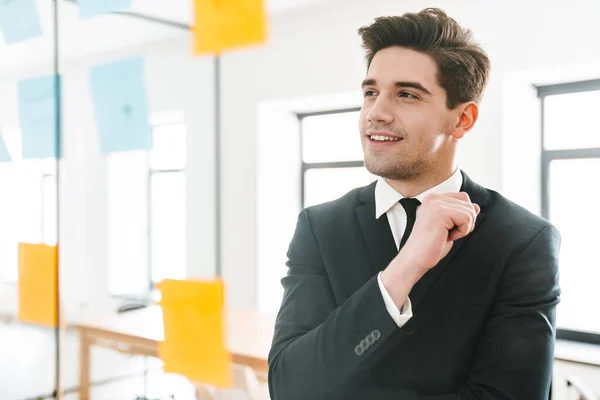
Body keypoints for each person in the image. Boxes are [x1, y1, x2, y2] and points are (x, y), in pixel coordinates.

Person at [267, 7, 561, 400]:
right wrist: (403, 270)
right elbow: (289, 385)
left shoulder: (524, 241)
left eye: (406, 94)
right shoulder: (320, 227)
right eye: (370, 92)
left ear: (463, 120)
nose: (376, 113)